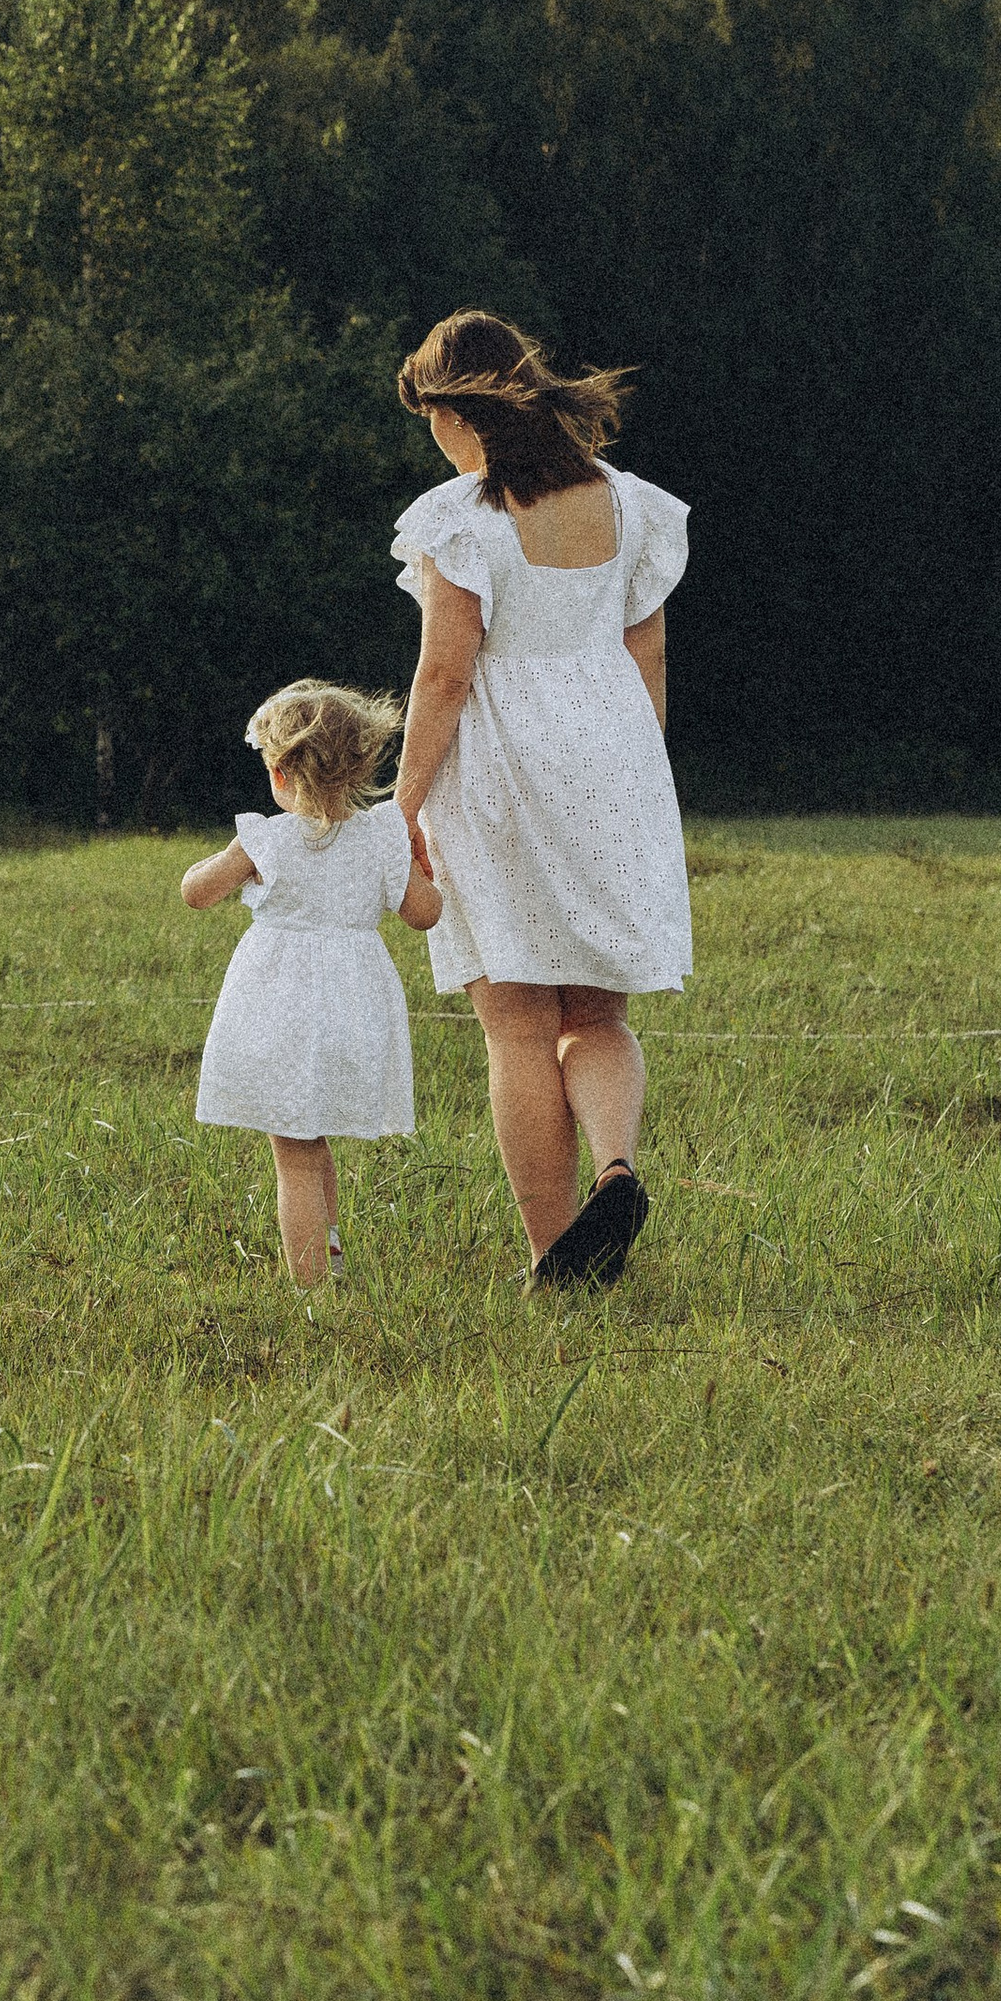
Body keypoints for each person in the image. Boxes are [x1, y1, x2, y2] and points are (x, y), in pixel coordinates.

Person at [390, 310, 691, 1288]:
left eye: (427, 414)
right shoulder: (632, 506)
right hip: (611, 761)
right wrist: (634, 783)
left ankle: (552, 1254)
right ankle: (614, 1167)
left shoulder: (459, 519)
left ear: (453, 409)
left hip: (502, 768)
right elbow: (645, 654)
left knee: (516, 1024)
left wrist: (401, 804)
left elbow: (444, 674)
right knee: (594, 1017)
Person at [181, 680, 441, 1287]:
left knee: (293, 1152)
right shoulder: (380, 838)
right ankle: (333, 1263)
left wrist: (221, 862)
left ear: (278, 773)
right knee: (312, 1136)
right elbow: (424, 913)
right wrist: (421, 868)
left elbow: (196, 892)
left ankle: (311, 1292)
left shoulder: (265, 840)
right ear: (361, 766)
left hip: (282, 1012)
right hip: (353, 1011)